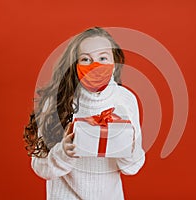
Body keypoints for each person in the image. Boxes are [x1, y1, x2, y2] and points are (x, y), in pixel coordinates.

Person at [23, 26, 145, 200]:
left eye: (103, 58)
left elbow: (133, 167)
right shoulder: (56, 101)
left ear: (114, 62)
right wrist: (63, 153)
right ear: (74, 64)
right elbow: (40, 167)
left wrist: (128, 146)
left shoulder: (125, 100)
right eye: (86, 59)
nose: (95, 65)